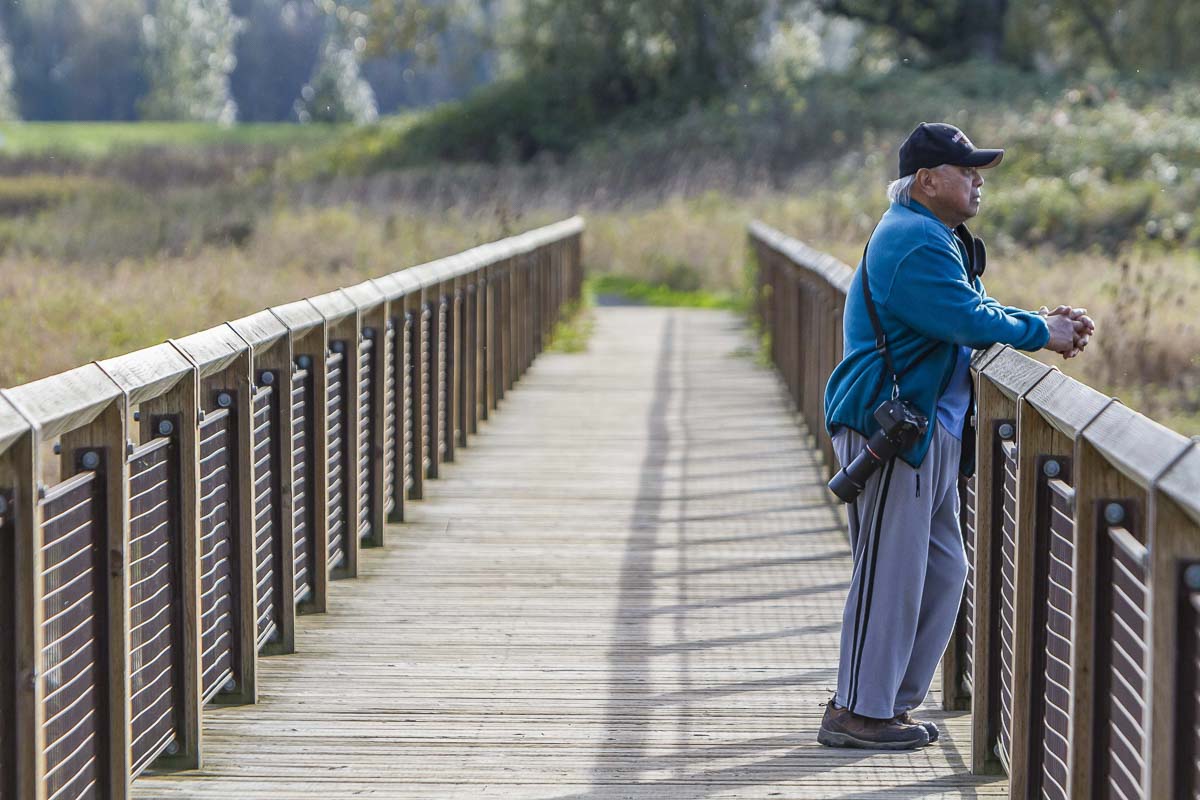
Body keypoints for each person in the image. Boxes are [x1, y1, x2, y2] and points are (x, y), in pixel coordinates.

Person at [817, 122, 1094, 750]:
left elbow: (975, 306)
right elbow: (964, 317)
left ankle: (884, 704)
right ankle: (856, 711)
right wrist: (1042, 330)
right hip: (890, 429)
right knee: (890, 573)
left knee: (943, 569)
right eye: (966, 170)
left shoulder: (934, 235)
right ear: (927, 180)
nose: (977, 181)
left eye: (978, 172)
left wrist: (1039, 321)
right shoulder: (915, 239)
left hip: (926, 428)